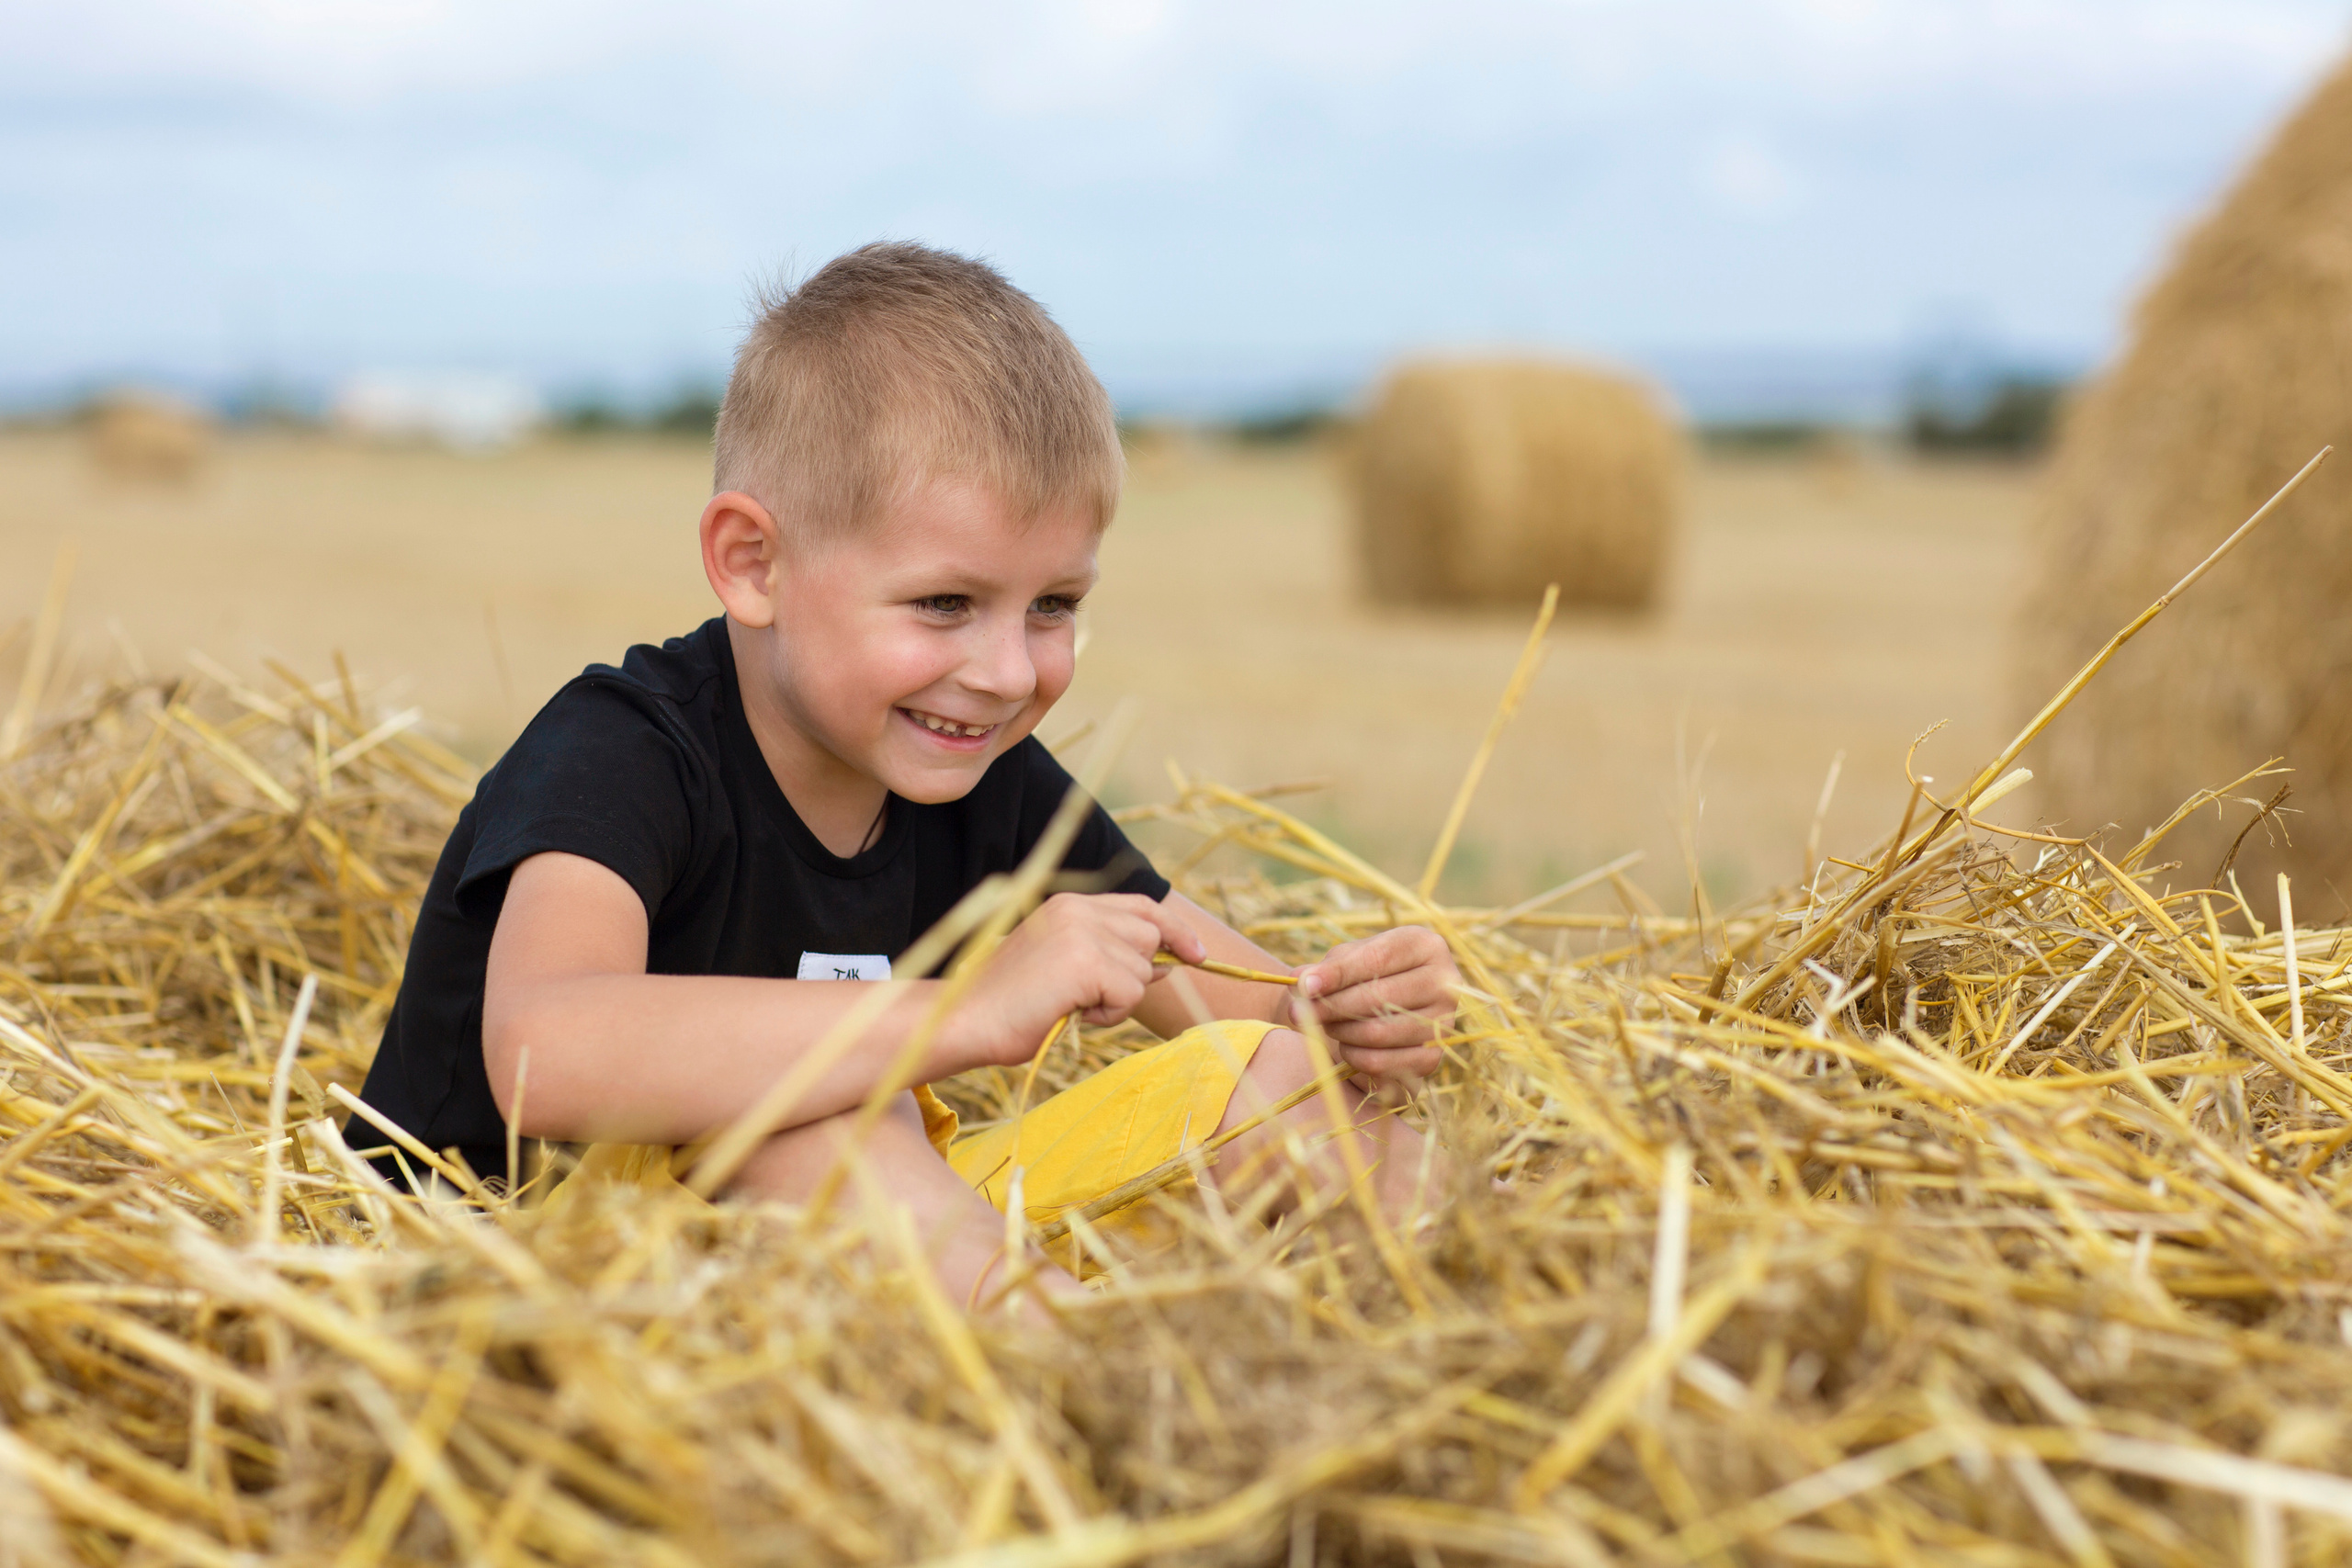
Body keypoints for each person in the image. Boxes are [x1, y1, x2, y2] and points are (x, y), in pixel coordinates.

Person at [350, 242, 1458, 1307]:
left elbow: (1232, 1001)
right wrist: (964, 1011)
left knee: (1264, 1084)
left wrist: (1354, 1017)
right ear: (754, 564)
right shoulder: (622, 753)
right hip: (518, 1275)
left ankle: (1502, 1301)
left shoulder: (986, 780)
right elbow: (551, 1053)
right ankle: (1096, 1390)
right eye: (944, 604)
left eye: (1054, 607)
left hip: (845, 1249)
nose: (1009, 671)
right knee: (809, 1112)